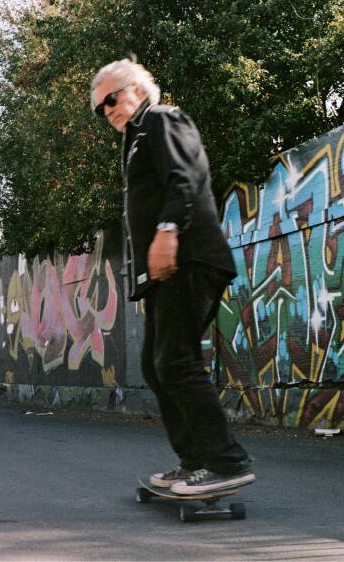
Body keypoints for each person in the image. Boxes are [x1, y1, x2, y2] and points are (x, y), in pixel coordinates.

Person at [90, 58, 255, 495]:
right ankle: (195, 460)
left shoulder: (162, 119)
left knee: (175, 361)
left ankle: (226, 462)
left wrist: (167, 231)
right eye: (100, 108)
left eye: (112, 98)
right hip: (167, 268)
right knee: (157, 363)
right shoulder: (136, 139)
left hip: (190, 256)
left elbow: (187, 177)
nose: (108, 110)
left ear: (138, 91)